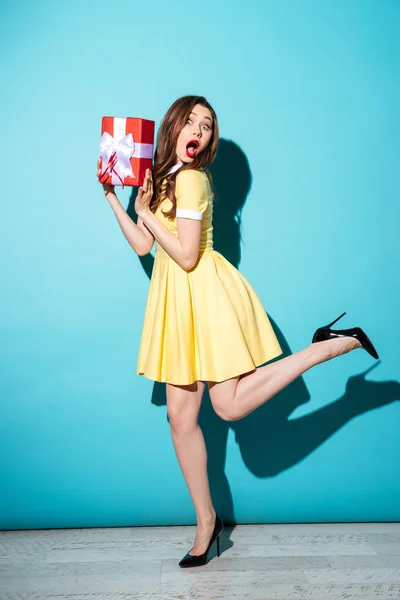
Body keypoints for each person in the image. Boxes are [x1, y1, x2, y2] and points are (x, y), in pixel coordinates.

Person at [97, 95, 379, 568]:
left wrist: (144, 211)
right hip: (176, 301)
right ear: (172, 127)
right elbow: (146, 245)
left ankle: (324, 350)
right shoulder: (163, 177)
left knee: (225, 406)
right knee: (180, 420)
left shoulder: (191, 179)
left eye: (207, 126)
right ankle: (206, 523)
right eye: (191, 121)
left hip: (204, 295)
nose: (199, 131)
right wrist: (113, 197)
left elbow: (186, 256)